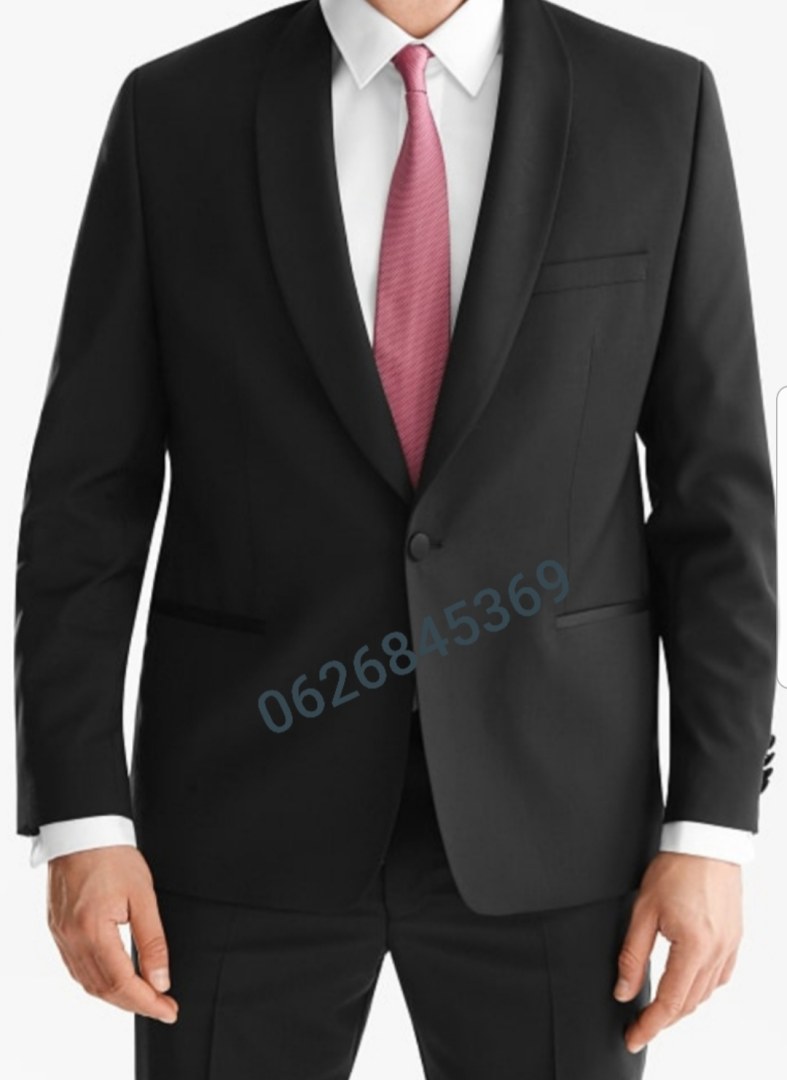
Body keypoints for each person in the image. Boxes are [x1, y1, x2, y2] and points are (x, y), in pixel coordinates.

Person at [14, 0, 777, 1077]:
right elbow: (85, 500)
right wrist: (84, 817)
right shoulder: (175, 113)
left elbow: (716, 501)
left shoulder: (657, 104)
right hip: (240, 818)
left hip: (564, 830)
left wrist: (709, 828)